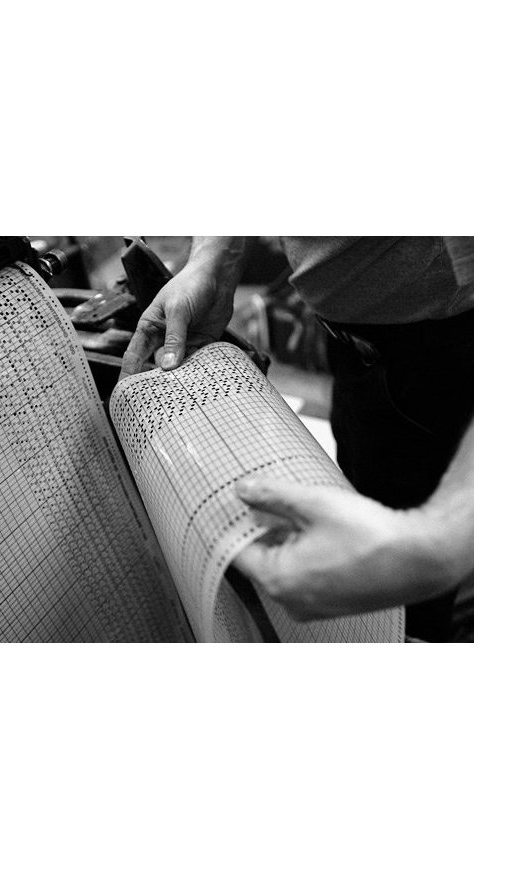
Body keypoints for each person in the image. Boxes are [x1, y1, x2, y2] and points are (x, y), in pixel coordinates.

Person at [120, 237, 473, 642]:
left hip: (445, 361)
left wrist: (439, 544)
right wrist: (213, 259)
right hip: (360, 352)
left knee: (404, 607)